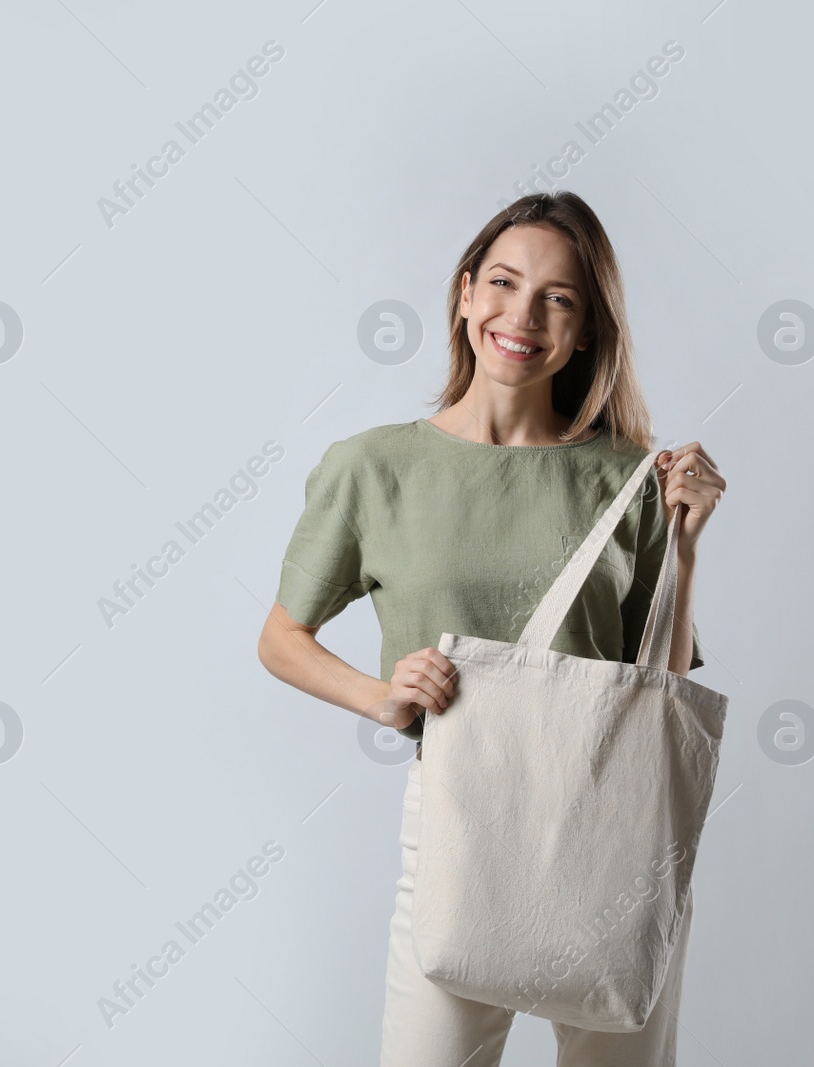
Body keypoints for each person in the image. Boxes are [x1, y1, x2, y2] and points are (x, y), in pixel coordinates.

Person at [256, 191, 726, 1066]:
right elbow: (282, 636)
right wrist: (382, 696)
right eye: (504, 283)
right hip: (457, 826)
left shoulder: (629, 478)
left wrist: (686, 549)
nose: (523, 315)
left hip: (611, 828)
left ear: (586, 330)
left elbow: (658, 687)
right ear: (466, 294)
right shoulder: (375, 467)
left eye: (559, 298)